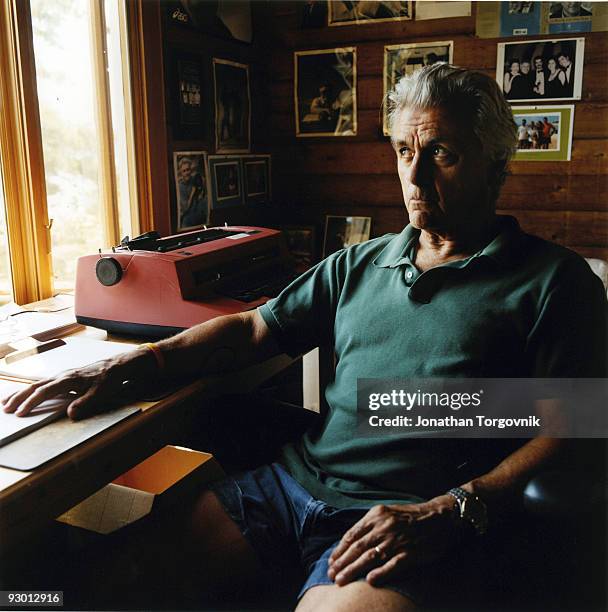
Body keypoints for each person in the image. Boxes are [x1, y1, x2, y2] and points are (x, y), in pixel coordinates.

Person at [3, 64, 606, 611]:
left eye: (440, 152)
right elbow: (250, 329)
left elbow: (576, 428)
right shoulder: (358, 264)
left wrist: (454, 508)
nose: (414, 174)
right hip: (291, 487)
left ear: (497, 162)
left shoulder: (552, 281)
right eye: (403, 151)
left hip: (410, 516)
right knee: (91, 586)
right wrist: (135, 365)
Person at [176, 156, 207, 229]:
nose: (187, 173)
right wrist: (192, 193)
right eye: (184, 171)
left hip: (200, 219)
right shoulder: (180, 186)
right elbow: (185, 209)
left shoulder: (194, 179)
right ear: (181, 172)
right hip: (188, 222)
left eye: (188, 170)